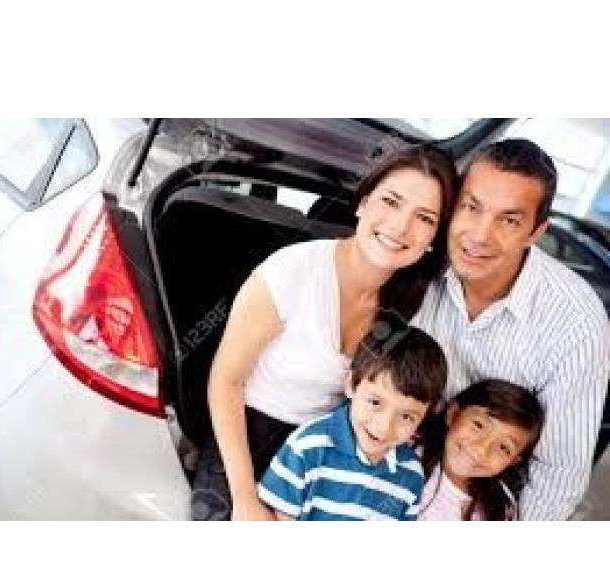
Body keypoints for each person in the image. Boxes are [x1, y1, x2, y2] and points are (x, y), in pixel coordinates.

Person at [193, 145, 458, 520]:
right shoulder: (291, 272)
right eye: (391, 201)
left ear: (434, 237)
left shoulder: (417, 307)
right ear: (363, 202)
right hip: (248, 437)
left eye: (424, 218)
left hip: (335, 451)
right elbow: (225, 380)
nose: (401, 226)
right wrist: (244, 497)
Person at [412, 138, 610, 520]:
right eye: (472, 207)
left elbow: (557, 476)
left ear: (536, 232)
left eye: (509, 220)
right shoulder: (416, 257)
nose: (479, 235)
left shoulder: (576, 323)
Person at [257, 323, 448, 521]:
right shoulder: (306, 449)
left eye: (406, 416)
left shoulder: (411, 475)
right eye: (375, 403)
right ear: (351, 384)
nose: (384, 427)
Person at [417, 379, 544, 521]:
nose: (481, 449)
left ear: (512, 461)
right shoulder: (406, 455)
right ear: (453, 414)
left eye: (503, 447)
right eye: (478, 425)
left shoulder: (499, 511)